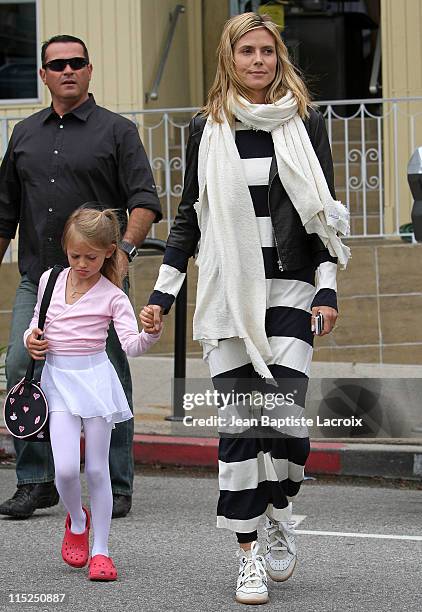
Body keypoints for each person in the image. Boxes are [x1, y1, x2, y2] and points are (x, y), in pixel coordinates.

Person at [141, 12, 350, 606]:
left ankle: (281, 506)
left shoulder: (303, 124)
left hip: (291, 289)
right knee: (240, 427)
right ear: (228, 59)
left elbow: (323, 217)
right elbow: (189, 216)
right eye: (247, 51)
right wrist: (162, 292)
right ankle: (247, 553)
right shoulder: (206, 129)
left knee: (284, 422)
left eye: (267, 51)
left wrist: (327, 287)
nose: (258, 61)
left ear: (278, 56)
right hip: (229, 294)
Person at [0, 34, 161, 520]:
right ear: (44, 76)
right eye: (57, 64)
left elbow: (145, 201)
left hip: (98, 281)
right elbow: (4, 213)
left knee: (110, 374)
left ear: (89, 71)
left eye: (76, 62)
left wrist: (124, 255)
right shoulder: (23, 134)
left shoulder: (117, 131)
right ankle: (35, 481)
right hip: (40, 279)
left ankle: (116, 483)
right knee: (20, 367)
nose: (67, 70)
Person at [24, 208, 162, 581]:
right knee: (66, 470)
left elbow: (132, 345)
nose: (83, 264)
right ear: (65, 250)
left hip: (97, 383)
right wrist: (31, 340)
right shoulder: (50, 281)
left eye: (92, 257)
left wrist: (151, 331)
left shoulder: (112, 296)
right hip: (58, 384)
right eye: (75, 256)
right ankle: (78, 519)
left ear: (109, 252)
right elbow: (35, 322)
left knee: (98, 469)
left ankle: (101, 551)